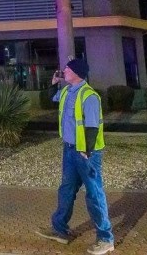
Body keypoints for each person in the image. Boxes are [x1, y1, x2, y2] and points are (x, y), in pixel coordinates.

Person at [36, 58, 115, 255]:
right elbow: (48, 99)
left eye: (67, 69)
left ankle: (106, 239)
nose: (64, 71)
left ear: (77, 73)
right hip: (70, 150)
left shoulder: (89, 96)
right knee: (66, 189)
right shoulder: (66, 92)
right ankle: (60, 230)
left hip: (87, 153)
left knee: (94, 194)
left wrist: (86, 149)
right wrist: (52, 85)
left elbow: (92, 126)